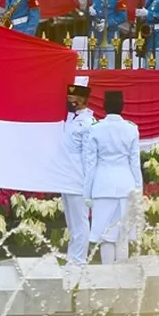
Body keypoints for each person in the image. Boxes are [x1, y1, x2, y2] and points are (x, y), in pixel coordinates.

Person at [84, 90, 142, 265]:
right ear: (122, 106)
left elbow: (90, 165)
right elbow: (135, 164)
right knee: (123, 234)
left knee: (106, 236)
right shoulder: (131, 129)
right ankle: (121, 280)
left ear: (104, 106)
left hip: (103, 186)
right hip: (126, 185)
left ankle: (107, 277)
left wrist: (87, 193)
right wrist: (138, 190)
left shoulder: (95, 129)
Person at [62, 84, 96, 266]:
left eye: (72, 99)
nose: (70, 101)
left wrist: (88, 184)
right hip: (66, 177)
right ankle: (72, 259)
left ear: (82, 100)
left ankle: (79, 260)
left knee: (80, 221)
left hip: (79, 178)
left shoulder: (89, 124)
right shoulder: (71, 120)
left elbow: (89, 157)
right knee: (72, 223)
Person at [88, 0, 126, 69]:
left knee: (109, 65)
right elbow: (89, 16)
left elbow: (123, 16)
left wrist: (107, 23)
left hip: (110, 35)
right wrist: (91, 13)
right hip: (96, 35)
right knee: (95, 65)